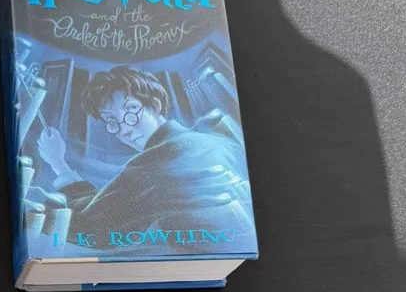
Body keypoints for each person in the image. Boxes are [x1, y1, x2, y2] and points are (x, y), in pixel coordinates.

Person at [35, 65, 251, 247]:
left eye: (130, 111)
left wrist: (59, 164)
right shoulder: (215, 141)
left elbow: (91, 224)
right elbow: (116, 205)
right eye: (111, 121)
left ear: (155, 106)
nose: (124, 130)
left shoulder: (155, 162)